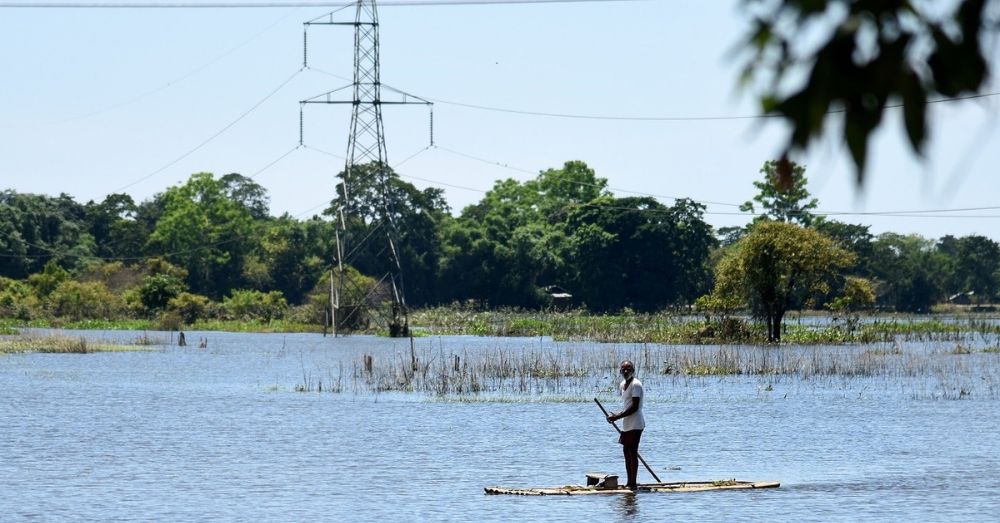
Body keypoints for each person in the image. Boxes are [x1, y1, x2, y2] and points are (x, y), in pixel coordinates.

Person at [606, 360, 645, 491]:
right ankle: (630, 482)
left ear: (633, 370)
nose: (626, 371)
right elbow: (627, 406)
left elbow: (634, 407)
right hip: (627, 424)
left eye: (629, 369)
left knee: (632, 452)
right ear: (620, 371)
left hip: (636, 423)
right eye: (623, 369)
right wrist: (616, 415)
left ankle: (632, 484)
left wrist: (617, 417)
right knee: (626, 452)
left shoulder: (636, 385)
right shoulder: (623, 384)